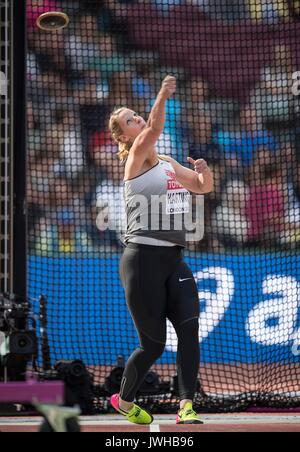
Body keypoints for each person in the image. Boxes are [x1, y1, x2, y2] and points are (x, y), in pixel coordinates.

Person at [108, 75, 214, 425]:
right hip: (141, 261)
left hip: (174, 260)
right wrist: (163, 95)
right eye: (130, 121)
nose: (137, 120)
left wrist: (203, 171)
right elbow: (153, 130)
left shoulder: (167, 161)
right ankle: (124, 401)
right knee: (152, 345)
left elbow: (202, 187)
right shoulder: (135, 160)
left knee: (189, 330)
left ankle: (186, 405)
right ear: (124, 137)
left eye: (136, 116)